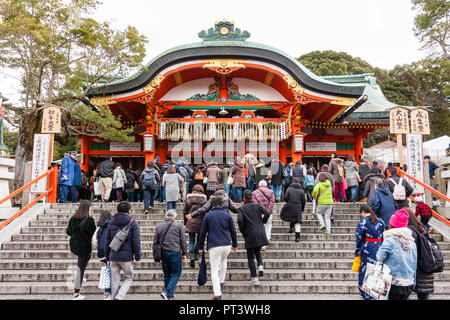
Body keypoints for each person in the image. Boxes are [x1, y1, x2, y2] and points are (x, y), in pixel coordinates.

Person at [198, 196, 238, 300]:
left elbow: (202, 233)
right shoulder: (227, 215)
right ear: (222, 205)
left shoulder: (208, 216)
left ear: (212, 205)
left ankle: (217, 294)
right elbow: (233, 231)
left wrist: (200, 246)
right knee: (224, 260)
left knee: (214, 269)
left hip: (214, 245)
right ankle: (222, 280)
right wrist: (235, 244)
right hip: (226, 244)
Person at [376, 209, 417, 300]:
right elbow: (414, 263)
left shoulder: (390, 240)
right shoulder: (412, 242)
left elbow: (379, 257)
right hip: (408, 282)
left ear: (393, 224)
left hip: (393, 282)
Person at [105, 201, 141, 300]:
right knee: (128, 278)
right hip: (127, 257)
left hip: (113, 256)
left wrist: (107, 256)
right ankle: (119, 297)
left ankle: (114, 298)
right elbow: (136, 241)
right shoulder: (133, 222)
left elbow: (107, 240)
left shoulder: (111, 221)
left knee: (114, 281)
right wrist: (138, 256)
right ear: (129, 210)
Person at [237, 190, 270, 285]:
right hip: (260, 232)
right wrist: (262, 222)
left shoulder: (242, 209)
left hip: (249, 233)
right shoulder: (258, 205)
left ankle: (254, 278)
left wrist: (243, 230)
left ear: (244, 198)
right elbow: (267, 213)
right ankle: (260, 266)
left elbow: (239, 220)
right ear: (252, 197)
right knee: (257, 251)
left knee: (250, 256)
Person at [66, 200, 96, 300]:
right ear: (88, 208)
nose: (92, 208)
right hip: (85, 247)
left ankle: (78, 284)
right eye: (91, 207)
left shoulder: (73, 218)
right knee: (80, 269)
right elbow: (93, 234)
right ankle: (76, 293)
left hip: (75, 246)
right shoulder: (89, 220)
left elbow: (68, 232)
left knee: (81, 267)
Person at [153, 209, 187, 300]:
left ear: (165, 216)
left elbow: (155, 242)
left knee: (167, 274)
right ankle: (168, 293)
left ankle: (169, 296)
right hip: (175, 252)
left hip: (164, 253)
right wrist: (184, 253)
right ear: (174, 217)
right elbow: (183, 241)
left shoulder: (159, 226)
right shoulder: (178, 226)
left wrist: (156, 254)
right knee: (176, 273)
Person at [354, 204, 385, 300]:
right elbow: (384, 234)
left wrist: (358, 249)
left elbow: (359, 237)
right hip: (379, 246)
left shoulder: (363, 222)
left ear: (363, 212)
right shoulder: (380, 221)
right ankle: (377, 291)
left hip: (368, 247)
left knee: (365, 268)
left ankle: (364, 291)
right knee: (377, 268)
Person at [405, 207, 435, 300]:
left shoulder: (409, 232)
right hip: (426, 265)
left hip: (418, 267)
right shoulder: (422, 228)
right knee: (424, 295)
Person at [183, 184, 208, 268]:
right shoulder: (204, 199)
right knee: (199, 239)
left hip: (190, 221)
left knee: (191, 240)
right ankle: (197, 253)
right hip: (201, 222)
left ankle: (192, 256)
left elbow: (185, 211)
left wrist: (185, 222)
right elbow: (205, 211)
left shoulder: (188, 198)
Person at [280, 177, 306, 242]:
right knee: (297, 221)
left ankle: (291, 228)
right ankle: (297, 237)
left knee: (291, 217)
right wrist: (302, 208)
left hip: (290, 205)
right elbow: (303, 201)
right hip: (298, 206)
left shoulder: (289, 189)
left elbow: (285, 198)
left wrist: (288, 202)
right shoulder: (301, 191)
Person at [252, 180, 275, 248]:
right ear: (266, 185)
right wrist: (267, 211)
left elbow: (255, 204)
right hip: (269, 213)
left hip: (259, 213)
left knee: (260, 228)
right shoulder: (271, 192)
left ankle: (262, 244)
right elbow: (272, 202)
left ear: (259, 185)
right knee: (268, 225)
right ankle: (267, 238)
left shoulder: (254, 192)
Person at [95, 210, 113, 299]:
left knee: (108, 271)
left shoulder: (99, 227)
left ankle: (107, 293)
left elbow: (95, 241)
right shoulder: (113, 225)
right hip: (112, 252)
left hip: (103, 253)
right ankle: (109, 292)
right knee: (113, 272)